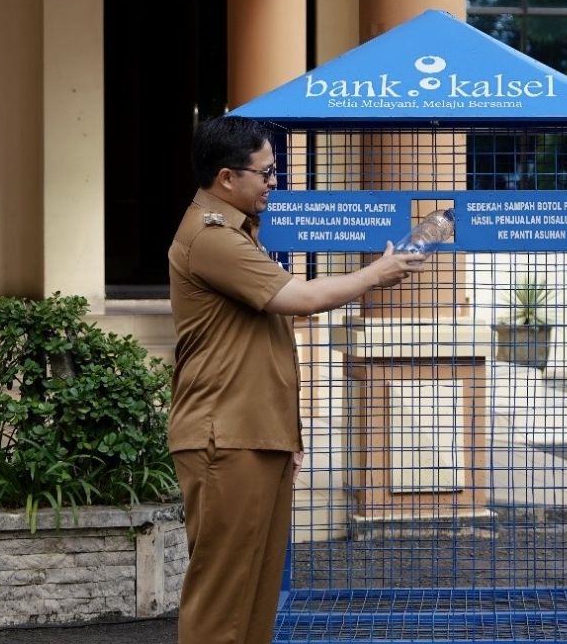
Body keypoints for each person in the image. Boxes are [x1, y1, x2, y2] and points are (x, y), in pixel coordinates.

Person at [167, 115, 425, 644]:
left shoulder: (238, 231)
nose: (273, 183)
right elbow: (300, 300)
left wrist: (288, 432)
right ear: (226, 178)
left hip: (255, 432)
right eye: (265, 173)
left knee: (255, 593)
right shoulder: (212, 238)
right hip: (226, 436)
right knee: (222, 601)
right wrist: (376, 273)